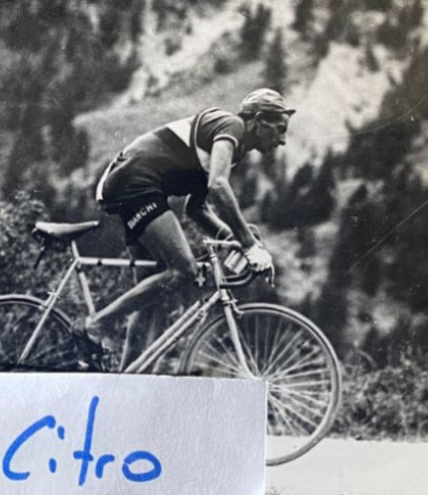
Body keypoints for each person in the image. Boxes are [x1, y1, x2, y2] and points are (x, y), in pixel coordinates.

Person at [82, 88, 292, 363]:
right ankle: (95, 326)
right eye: (280, 128)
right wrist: (249, 245)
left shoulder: (234, 146)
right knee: (184, 270)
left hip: (131, 184)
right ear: (260, 119)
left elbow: (196, 208)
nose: (283, 140)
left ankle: (127, 379)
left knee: (149, 299)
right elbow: (218, 186)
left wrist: (235, 239)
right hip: (136, 183)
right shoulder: (232, 126)